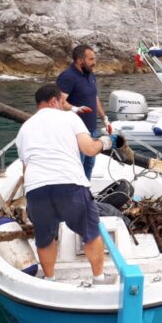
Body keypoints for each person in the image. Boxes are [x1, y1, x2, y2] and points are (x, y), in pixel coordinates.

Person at [15, 84, 121, 283]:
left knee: (45, 238)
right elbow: (89, 149)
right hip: (69, 183)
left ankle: (50, 279)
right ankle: (99, 278)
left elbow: (25, 169)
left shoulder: (24, 129)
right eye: (63, 102)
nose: (65, 106)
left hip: (36, 188)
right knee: (91, 233)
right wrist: (106, 142)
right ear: (55, 101)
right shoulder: (70, 117)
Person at [57, 44, 112, 180]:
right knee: (77, 166)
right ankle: (76, 196)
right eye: (91, 59)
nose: (94, 63)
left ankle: (85, 193)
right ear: (80, 60)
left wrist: (104, 118)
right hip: (75, 133)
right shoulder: (68, 77)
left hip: (92, 130)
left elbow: (94, 97)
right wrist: (75, 109)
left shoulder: (90, 74)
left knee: (89, 164)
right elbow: (59, 102)